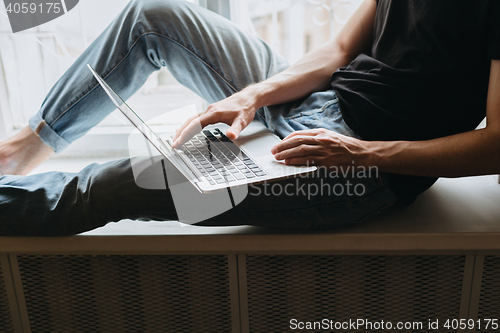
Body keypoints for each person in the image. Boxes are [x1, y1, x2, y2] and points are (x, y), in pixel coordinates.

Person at [0, 0, 499, 236]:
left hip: (359, 163)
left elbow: (496, 144)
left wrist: (358, 154)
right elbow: (340, 49)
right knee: (153, 15)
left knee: (105, 186)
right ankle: (22, 149)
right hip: (321, 99)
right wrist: (252, 95)